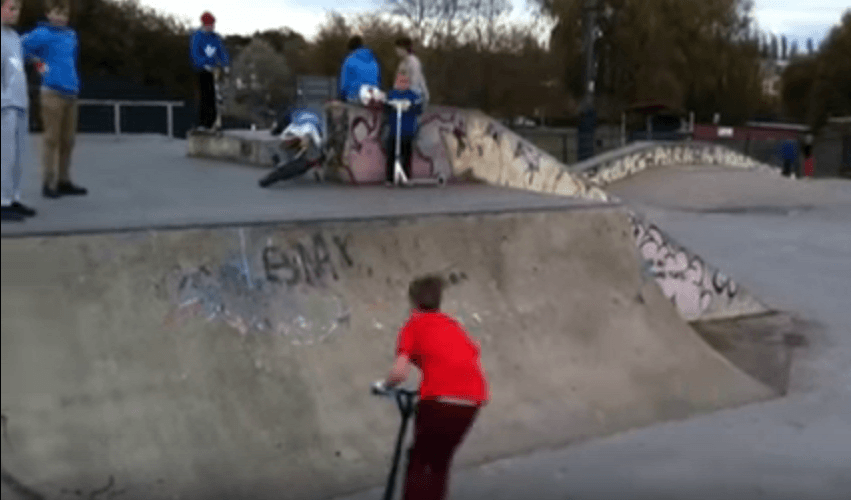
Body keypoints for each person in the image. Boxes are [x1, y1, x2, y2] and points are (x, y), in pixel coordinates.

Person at [381, 275, 490, 500]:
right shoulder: (452, 324)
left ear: (413, 302)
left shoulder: (413, 325)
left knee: (419, 460)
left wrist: (384, 385)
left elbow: (399, 373)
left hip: (439, 400)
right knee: (440, 462)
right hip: (472, 400)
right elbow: (472, 351)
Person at [21, 0, 87, 199]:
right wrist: (39, 65)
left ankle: (64, 181)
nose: (61, 17)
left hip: (71, 93)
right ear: (49, 14)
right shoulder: (41, 34)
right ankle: (47, 183)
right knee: (51, 139)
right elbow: (20, 47)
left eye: (64, 13)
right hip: (52, 93)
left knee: (68, 140)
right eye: (57, 13)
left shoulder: (71, 36)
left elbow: (70, 61)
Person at [1, 0, 37, 222]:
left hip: (19, 103)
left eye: (18, 10)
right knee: (4, 155)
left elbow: (16, 68)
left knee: (17, 156)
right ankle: (1, 202)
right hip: (4, 104)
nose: (15, 14)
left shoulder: (14, 37)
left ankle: (13, 197)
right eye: (11, 8)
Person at [259, 107, 325, 187]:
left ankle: (278, 170)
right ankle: (277, 172)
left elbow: (276, 131)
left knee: (300, 163)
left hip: (304, 142)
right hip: (306, 143)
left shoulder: (295, 113)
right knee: (300, 163)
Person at [190, 11, 230, 131]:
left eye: (213, 25)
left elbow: (221, 52)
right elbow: (194, 54)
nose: (212, 27)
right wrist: (204, 64)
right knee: (205, 96)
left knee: (215, 97)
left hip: (214, 70)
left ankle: (213, 122)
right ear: (204, 24)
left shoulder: (215, 37)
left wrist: (226, 64)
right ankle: (203, 123)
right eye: (210, 25)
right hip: (201, 71)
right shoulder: (197, 37)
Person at [385, 71, 423, 185]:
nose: (402, 84)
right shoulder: (391, 94)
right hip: (394, 130)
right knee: (391, 155)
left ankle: (406, 177)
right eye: (400, 81)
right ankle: (390, 178)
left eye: (405, 82)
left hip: (407, 130)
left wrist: (410, 106)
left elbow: (419, 109)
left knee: (406, 155)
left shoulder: (413, 95)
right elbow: (386, 108)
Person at [338, 35, 381, 103]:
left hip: (355, 95)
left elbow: (345, 82)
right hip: (373, 95)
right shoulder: (373, 59)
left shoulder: (349, 60)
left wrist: (342, 96)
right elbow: (378, 78)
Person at [394, 36, 429, 107]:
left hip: (417, 97)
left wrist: (405, 97)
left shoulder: (414, 62)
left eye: (397, 49)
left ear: (403, 49)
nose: (396, 51)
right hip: (406, 95)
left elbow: (415, 83)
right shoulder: (402, 63)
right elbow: (399, 82)